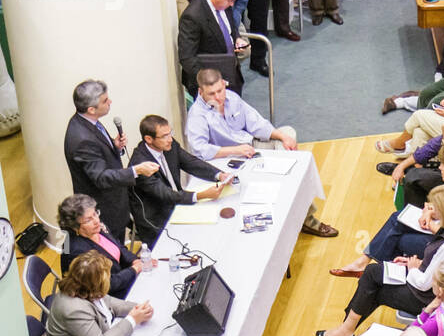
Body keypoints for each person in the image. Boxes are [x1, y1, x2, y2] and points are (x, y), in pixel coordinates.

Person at [316, 184, 444, 336]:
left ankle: (345, 330)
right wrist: (413, 263)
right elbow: (443, 265)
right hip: (436, 282)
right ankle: (345, 329)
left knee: (373, 282)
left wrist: (413, 268)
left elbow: (423, 284)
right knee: (373, 276)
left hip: (428, 297)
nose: (433, 212)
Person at [185, 68, 337, 238]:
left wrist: (282, 137)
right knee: (284, 169)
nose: (218, 97)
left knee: (288, 133)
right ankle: (301, 212)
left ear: (223, 84)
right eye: (211, 94)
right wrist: (235, 150)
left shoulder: (232, 98)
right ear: (201, 92)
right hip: (226, 159)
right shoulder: (197, 115)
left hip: (251, 147)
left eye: (220, 90)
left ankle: (288, 190)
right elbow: (200, 150)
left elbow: (256, 123)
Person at [336, 145, 444, 281]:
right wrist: (428, 212)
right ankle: (366, 264)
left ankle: (386, 276)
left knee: (398, 239)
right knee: (398, 218)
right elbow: (443, 211)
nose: (440, 167)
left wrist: (429, 222)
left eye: (443, 164)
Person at [64, 80, 158, 239]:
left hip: (114, 201)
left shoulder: (86, 122)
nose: (110, 102)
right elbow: (100, 178)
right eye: (105, 101)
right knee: (112, 254)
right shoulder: (82, 139)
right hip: (105, 209)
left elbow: (97, 155)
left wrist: (114, 147)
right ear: (91, 109)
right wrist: (136, 170)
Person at [128, 114, 232, 244]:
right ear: (149, 139)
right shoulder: (141, 165)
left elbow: (190, 162)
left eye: (170, 133)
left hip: (177, 203)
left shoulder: (168, 146)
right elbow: (166, 195)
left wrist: (219, 174)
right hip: (156, 219)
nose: (170, 139)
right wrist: (201, 195)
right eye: (164, 136)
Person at [57, 195, 146, 299]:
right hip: (106, 296)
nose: (96, 221)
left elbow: (119, 247)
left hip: (122, 277)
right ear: (74, 226)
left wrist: (134, 261)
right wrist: (134, 270)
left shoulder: (97, 228)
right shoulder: (77, 253)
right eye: (88, 220)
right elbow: (106, 284)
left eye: (95, 213)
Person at [176, 0, 244, 96]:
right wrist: (210, 82)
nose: (232, 4)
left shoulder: (224, 4)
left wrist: (237, 38)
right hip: (209, 86)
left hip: (231, 72)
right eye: (230, 1)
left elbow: (230, 27)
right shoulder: (192, 16)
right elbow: (187, 57)